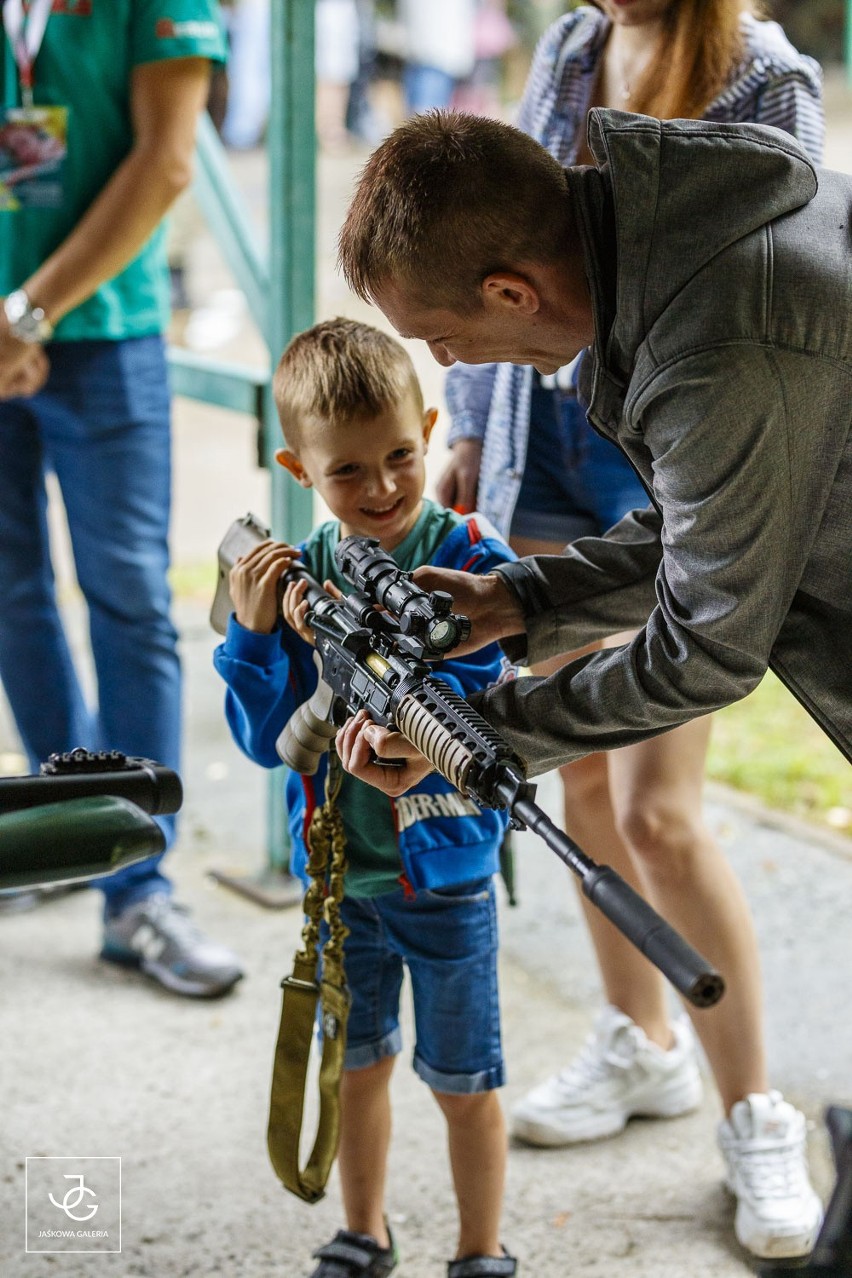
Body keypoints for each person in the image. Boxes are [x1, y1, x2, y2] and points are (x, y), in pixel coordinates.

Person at [335, 109, 852, 1260]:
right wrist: (523, 599)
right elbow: (705, 522)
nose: (450, 368)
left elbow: (708, 647)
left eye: (444, 337)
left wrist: (474, 731)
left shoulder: (722, 336)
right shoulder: (680, 233)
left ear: (513, 292)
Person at [213, 318, 519, 1278]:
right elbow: (269, 745)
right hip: (343, 889)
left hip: (449, 882)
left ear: (429, 427)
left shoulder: (467, 557)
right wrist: (256, 638)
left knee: (466, 1081)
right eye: (347, 472)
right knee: (358, 1067)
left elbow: (506, 691)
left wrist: (431, 718)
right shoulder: (299, 582)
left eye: (400, 455)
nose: (382, 488)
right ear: (296, 469)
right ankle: (363, 1233)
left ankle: (479, 1250)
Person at [0, 1, 243, 998]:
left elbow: (167, 159)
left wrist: (28, 309)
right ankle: (59, 842)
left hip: (100, 333)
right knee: (11, 591)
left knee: (129, 599)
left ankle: (137, 886)